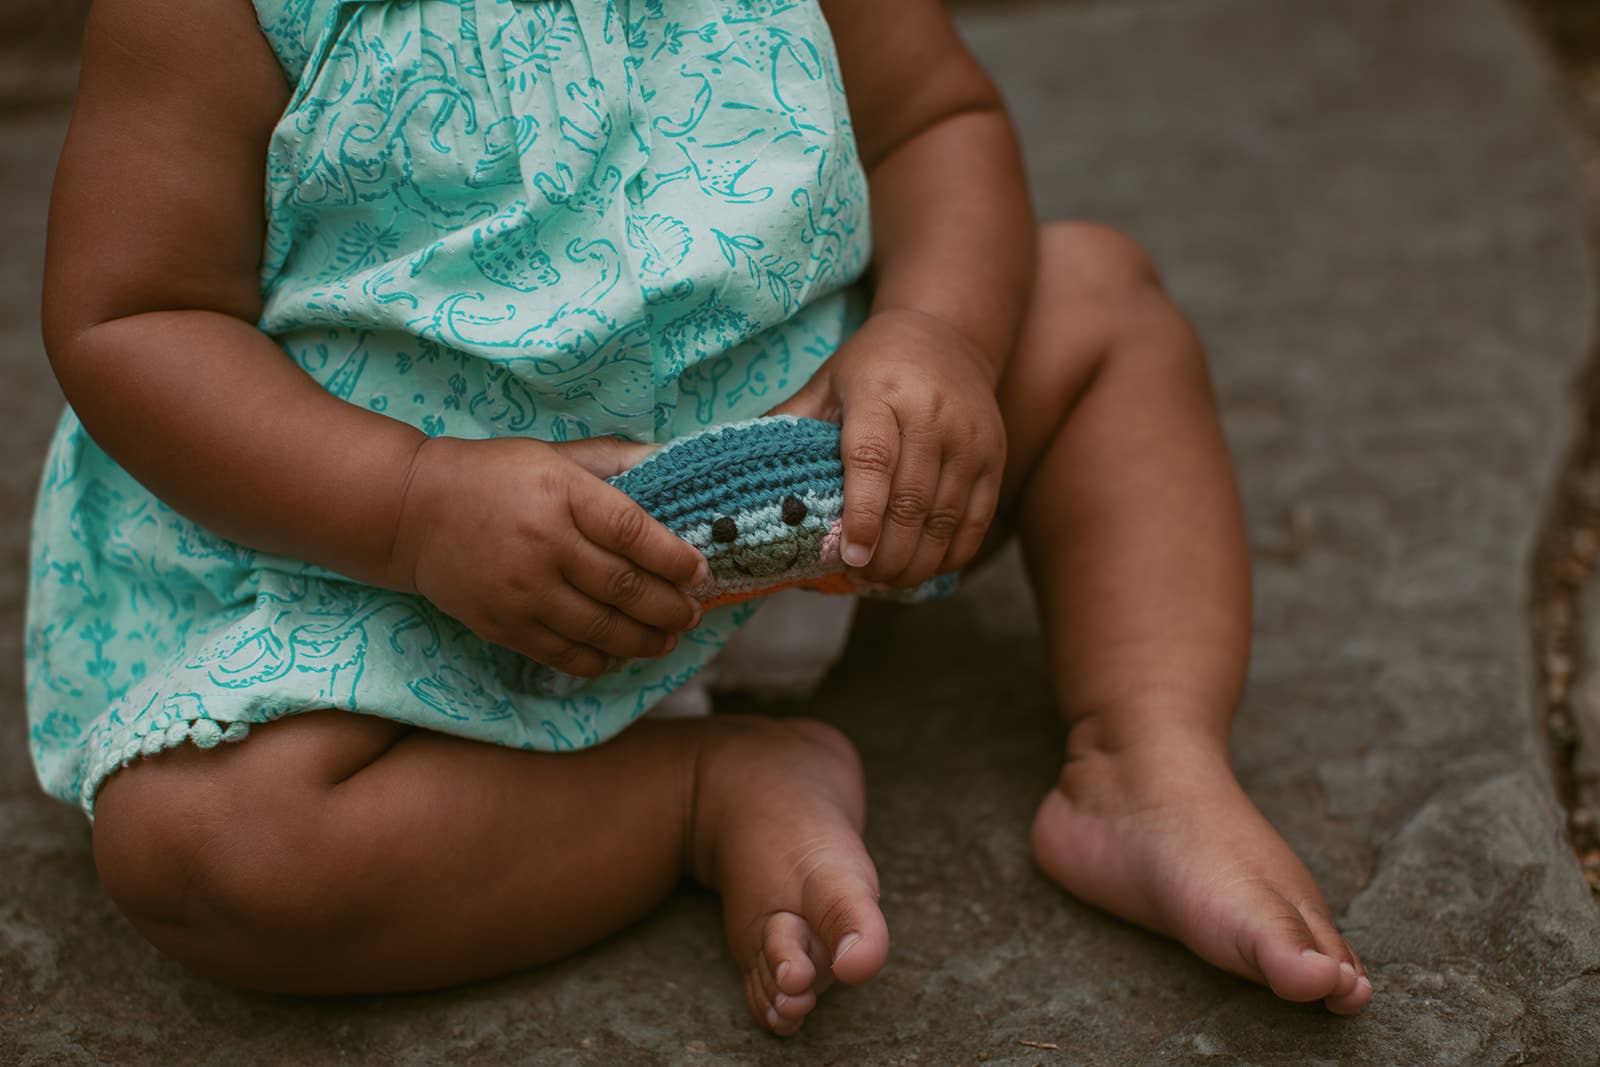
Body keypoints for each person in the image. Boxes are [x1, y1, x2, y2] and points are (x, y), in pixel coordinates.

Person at [26, 0, 1373, 1034]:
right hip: (422, 573)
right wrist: (410, 507)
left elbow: (934, 124)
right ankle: (692, 798)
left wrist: (935, 335)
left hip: (819, 464)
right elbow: (136, 315)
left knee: (1100, 304)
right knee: (213, 846)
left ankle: (1145, 754)